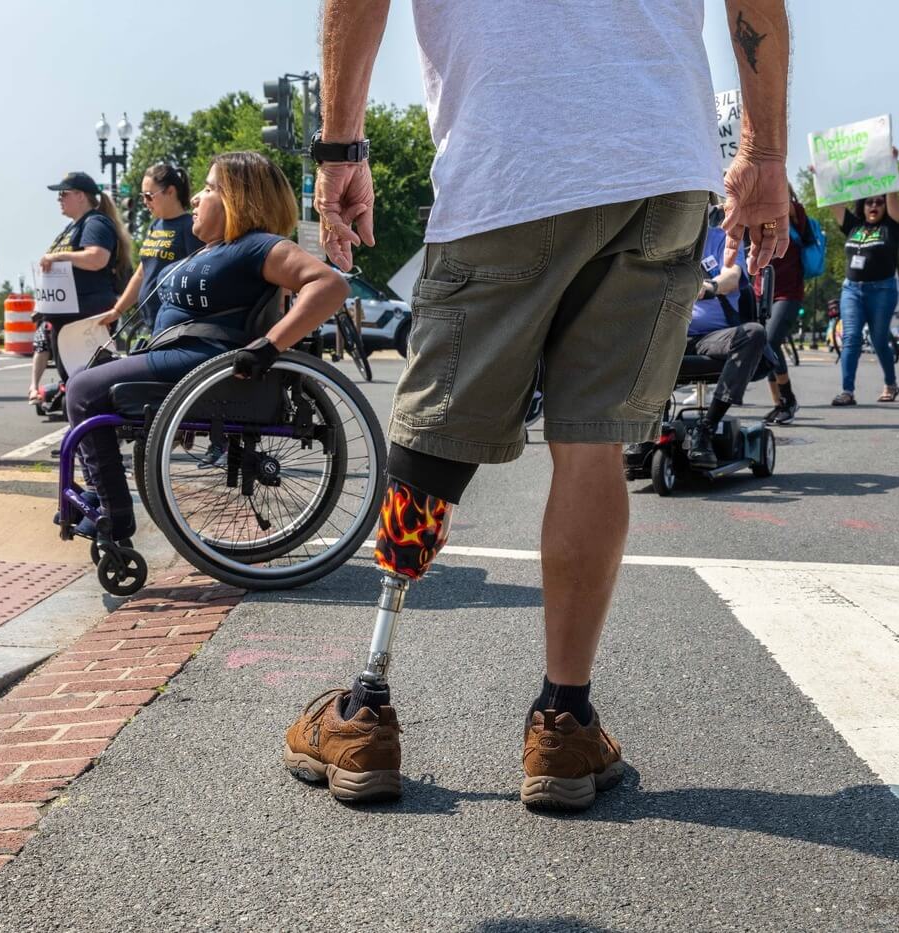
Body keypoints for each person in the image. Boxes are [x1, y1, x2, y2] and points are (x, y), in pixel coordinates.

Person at [282, 0, 789, 810]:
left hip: (510, 151)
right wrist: (763, 154)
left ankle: (366, 705)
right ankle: (563, 721)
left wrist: (341, 145)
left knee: (433, 441)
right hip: (658, 157)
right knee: (590, 447)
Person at [63, 151, 347, 541]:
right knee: (82, 380)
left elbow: (329, 285)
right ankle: (99, 492)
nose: (196, 197)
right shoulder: (212, 248)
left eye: (210, 188)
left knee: (81, 390)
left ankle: (113, 515)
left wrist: (270, 345)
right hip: (174, 357)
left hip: (204, 362)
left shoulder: (257, 246)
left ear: (239, 199)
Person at [28, 171, 131, 402]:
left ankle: (94, 434)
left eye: (63, 194)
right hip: (66, 319)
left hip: (85, 317)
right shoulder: (72, 227)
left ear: (81, 196)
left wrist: (57, 257)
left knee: (89, 386)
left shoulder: (95, 222)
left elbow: (97, 258)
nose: (59, 199)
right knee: (74, 385)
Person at [680, 203, 768, 467]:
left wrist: (709, 287)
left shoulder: (724, 239)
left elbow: (732, 276)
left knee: (753, 334)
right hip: (671, 336)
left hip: (713, 338)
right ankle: (647, 432)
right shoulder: (662, 243)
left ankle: (705, 429)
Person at [822, 159, 899, 406]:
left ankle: (890, 383)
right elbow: (833, 202)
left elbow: (893, 200)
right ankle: (847, 390)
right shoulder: (853, 226)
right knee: (851, 338)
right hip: (852, 290)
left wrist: (890, 165)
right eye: (869, 201)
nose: (874, 205)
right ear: (862, 205)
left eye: (879, 202)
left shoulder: (891, 227)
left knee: (879, 339)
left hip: (882, 289)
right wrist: (823, 176)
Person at [96, 164, 202, 335]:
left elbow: (198, 277)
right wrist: (117, 311)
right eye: (142, 196)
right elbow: (141, 274)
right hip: (151, 322)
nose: (145, 202)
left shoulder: (190, 227)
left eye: (149, 195)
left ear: (170, 191)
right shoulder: (155, 225)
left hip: (175, 325)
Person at [756, 189, 808, 422]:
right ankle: (779, 404)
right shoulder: (754, 212)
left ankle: (789, 400)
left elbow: (785, 205)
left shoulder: (794, 212)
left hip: (788, 292)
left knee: (771, 340)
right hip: (761, 290)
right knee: (762, 346)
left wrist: (770, 172)